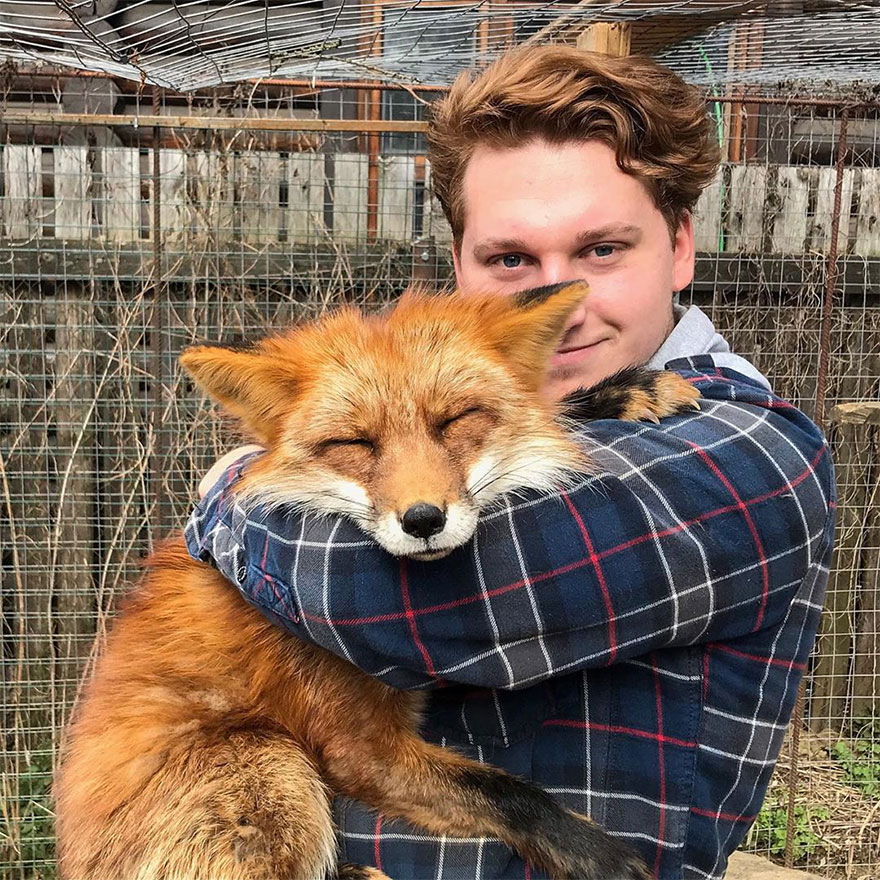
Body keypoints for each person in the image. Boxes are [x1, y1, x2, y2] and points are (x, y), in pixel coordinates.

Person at [185, 46, 836, 880]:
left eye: (602, 249)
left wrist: (227, 496)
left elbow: (378, 599)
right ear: (461, 269)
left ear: (679, 248)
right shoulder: (454, 400)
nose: (557, 301)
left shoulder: (751, 450)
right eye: (509, 260)